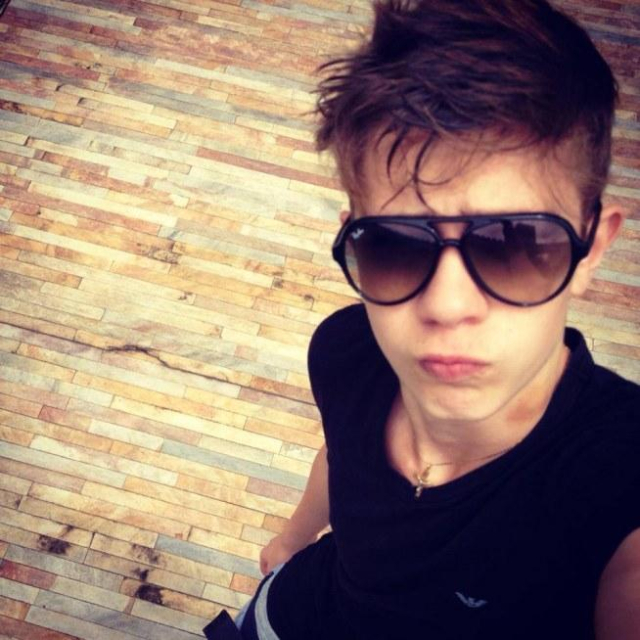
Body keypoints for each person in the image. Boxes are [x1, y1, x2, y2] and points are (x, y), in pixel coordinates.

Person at [204, 0, 640, 638]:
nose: (446, 305)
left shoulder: (619, 478)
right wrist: (296, 534)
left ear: (590, 250)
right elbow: (342, 452)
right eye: (395, 244)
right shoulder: (346, 349)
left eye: (515, 243)